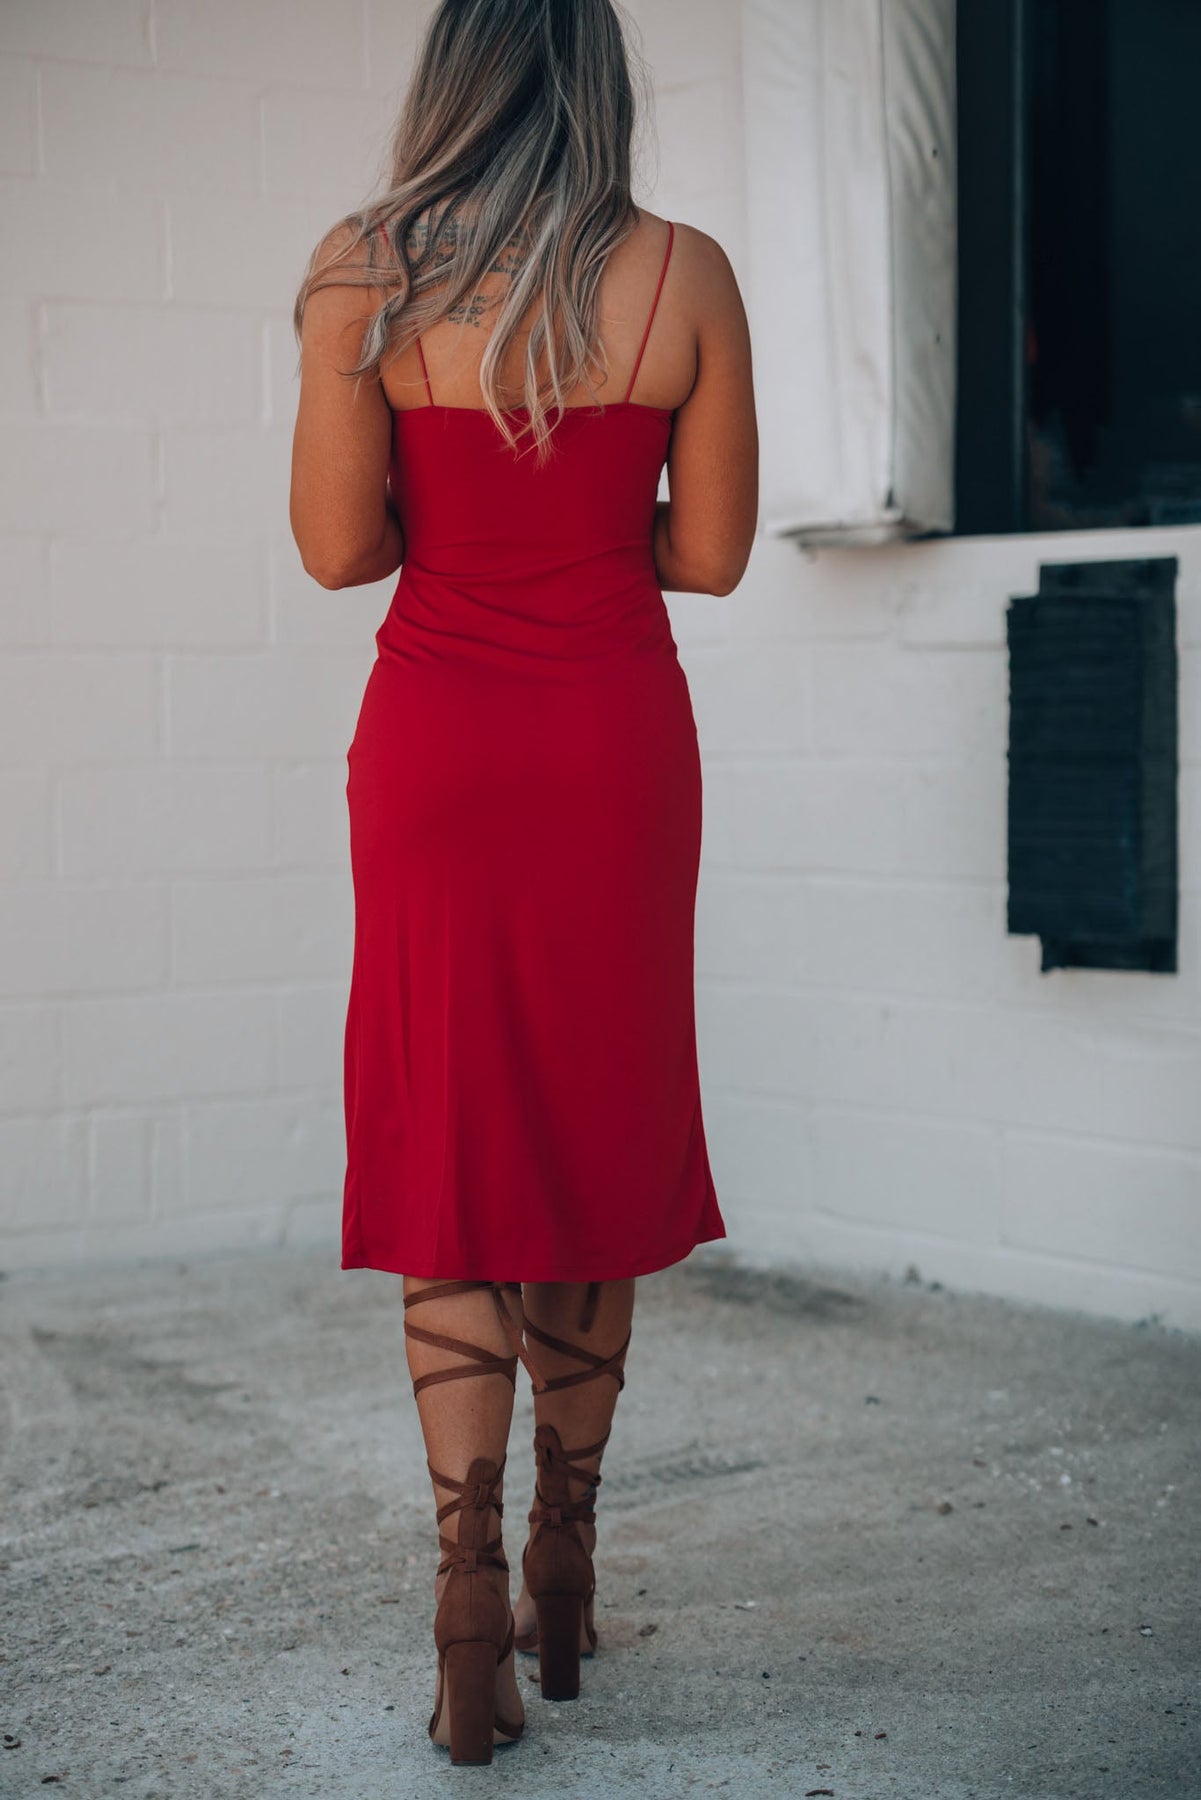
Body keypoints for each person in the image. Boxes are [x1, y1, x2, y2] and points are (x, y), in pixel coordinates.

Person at [290, 0, 758, 1768]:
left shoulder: (362, 270)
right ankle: (567, 1557)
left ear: (449, 84)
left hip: (437, 751)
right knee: (582, 1133)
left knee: (455, 1143)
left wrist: (461, 519)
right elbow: (708, 554)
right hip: (609, 749)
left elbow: (338, 546)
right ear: (600, 87)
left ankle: (465, 1591)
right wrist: (581, 527)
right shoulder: (684, 275)